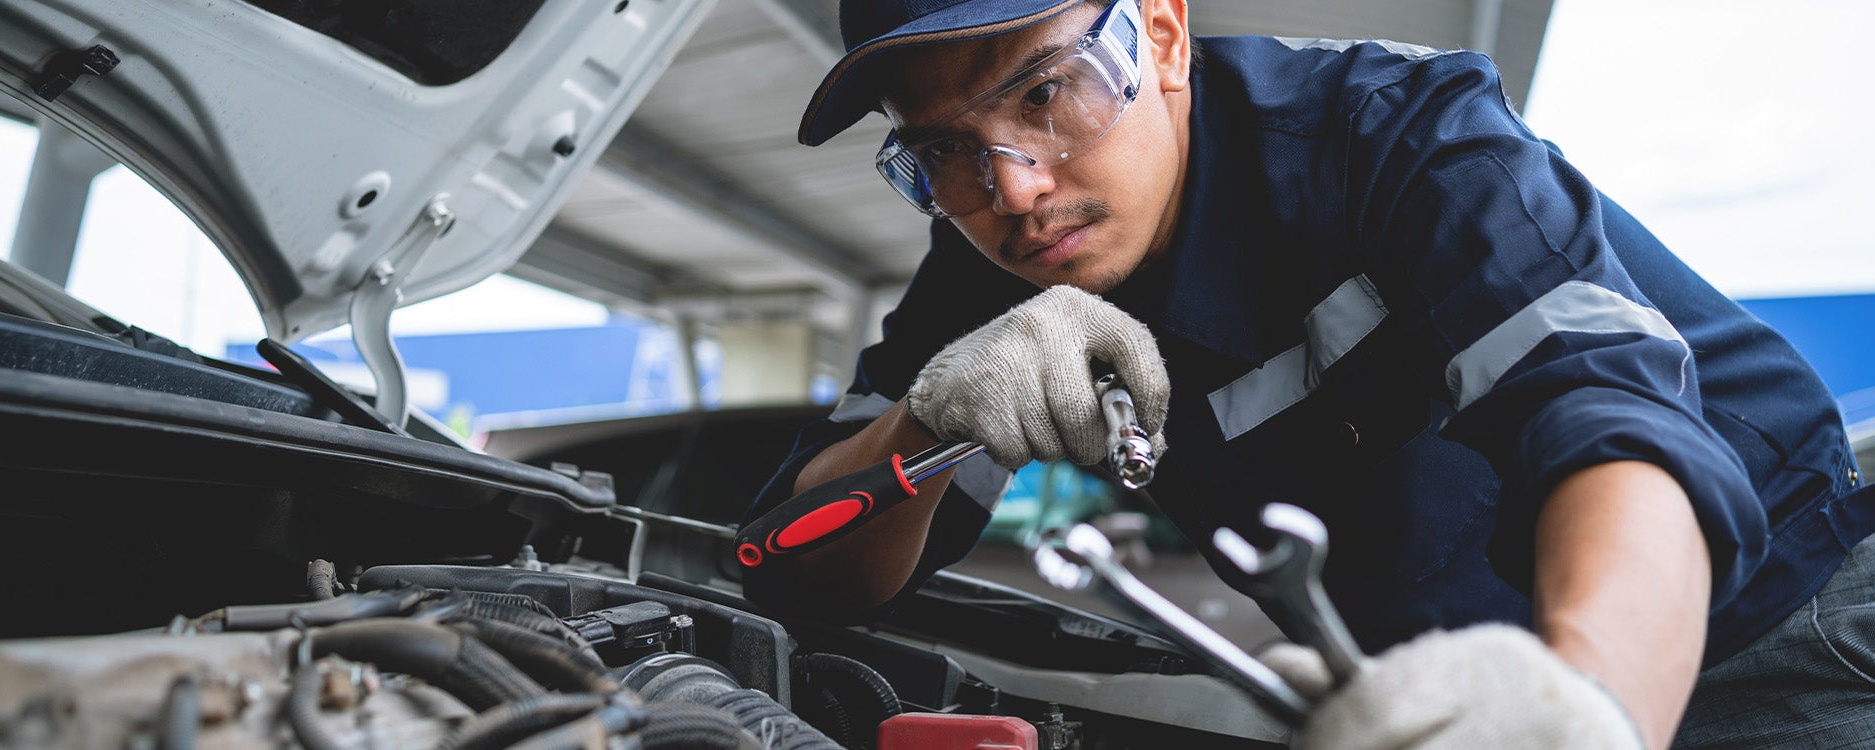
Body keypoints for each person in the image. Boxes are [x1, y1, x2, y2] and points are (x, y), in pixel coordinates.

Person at [739, 0, 1875, 747]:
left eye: (1044, 93)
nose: (1012, 186)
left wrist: (1580, 708)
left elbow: (1606, 413)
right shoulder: (988, 269)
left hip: (1773, 630)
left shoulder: (1394, 136)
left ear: (1166, 36)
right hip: (1446, 702)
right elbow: (792, 568)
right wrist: (925, 428)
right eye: (940, 147)